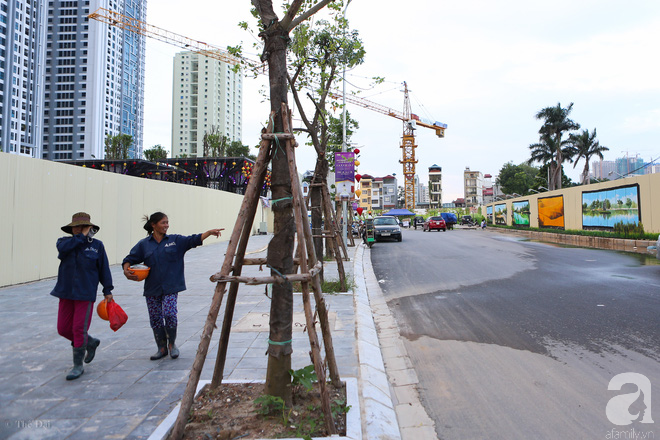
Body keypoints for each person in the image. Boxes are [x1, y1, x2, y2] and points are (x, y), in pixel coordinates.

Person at [122, 212, 222, 360]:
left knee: (169, 314)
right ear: (153, 225)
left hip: (171, 286)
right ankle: (161, 348)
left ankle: (172, 345)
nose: (166, 225)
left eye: (167, 222)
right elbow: (130, 258)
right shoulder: (144, 244)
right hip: (152, 288)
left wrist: (208, 233)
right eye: (163, 223)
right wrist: (126, 269)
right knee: (155, 318)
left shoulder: (175, 240)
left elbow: (193, 240)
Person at [51, 212, 114, 380]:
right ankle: (90, 342)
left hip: (85, 294)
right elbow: (63, 250)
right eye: (76, 226)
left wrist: (107, 290)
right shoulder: (64, 243)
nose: (79, 229)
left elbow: (104, 269)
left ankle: (77, 365)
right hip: (65, 292)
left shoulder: (97, 246)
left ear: (90, 228)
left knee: (79, 328)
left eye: (83, 226)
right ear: (71, 228)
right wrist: (81, 237)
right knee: (63, 329)